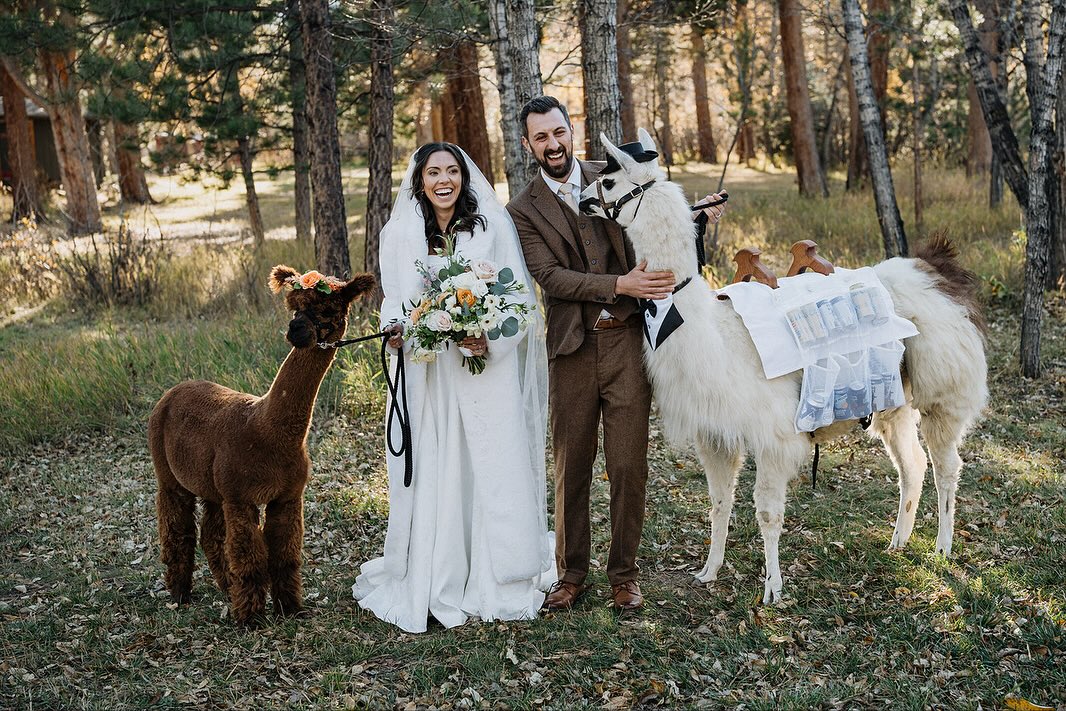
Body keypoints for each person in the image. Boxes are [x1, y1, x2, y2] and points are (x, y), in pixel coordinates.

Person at [506, 96, 726, 612]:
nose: (553, 144)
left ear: (570, 130)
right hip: (571, 349)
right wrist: (621, 284)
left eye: (558, 132)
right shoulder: (522, 209)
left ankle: (624, 575)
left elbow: (652, 228)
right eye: (541, 137)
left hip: (629, 343)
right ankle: (571, 574)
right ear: (527, 145)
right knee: (572, 465)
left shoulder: (615, 175)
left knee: (629, 465)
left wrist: (693, 218)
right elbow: (551, 278)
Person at [353, 142, 554, 633]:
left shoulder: (490, 226)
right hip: (429, 376)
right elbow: (396, 301)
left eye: (452, 171)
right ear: (419, 180)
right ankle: (438, 571)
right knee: (437, 465)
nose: (444, 180)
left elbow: (520, 303)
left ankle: (495, 573)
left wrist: (486, 337)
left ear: (464, 177)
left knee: (484, 461)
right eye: (433, 172)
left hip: (479, 370)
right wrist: (400, 331)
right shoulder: (398, 233)